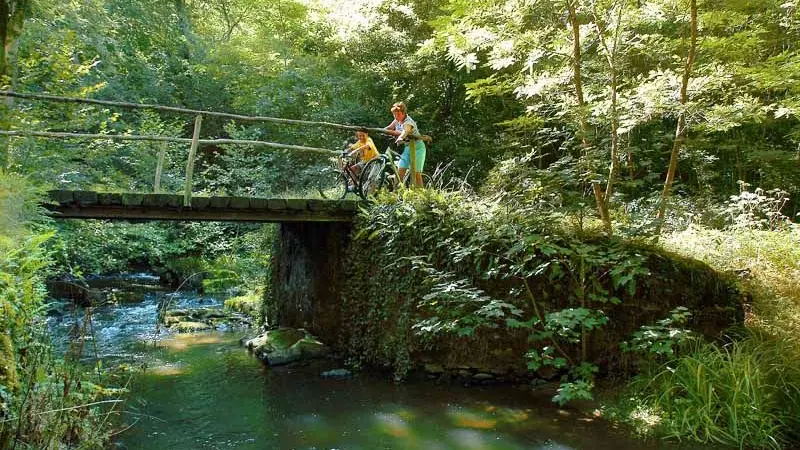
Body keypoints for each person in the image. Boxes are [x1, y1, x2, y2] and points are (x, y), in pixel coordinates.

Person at [384, 102, 425, 187]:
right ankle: (395, 193)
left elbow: (405, 131)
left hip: (417, 148)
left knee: (416, 173)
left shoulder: (408, 122)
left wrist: (400, 138)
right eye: (394, 114)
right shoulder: (397, 120)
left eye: (398, 114)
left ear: (403, 113)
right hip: (407, 148)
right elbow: (389, 128)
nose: (396, 116)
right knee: (400, 171)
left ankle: (422, 194)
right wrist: (380, 130)